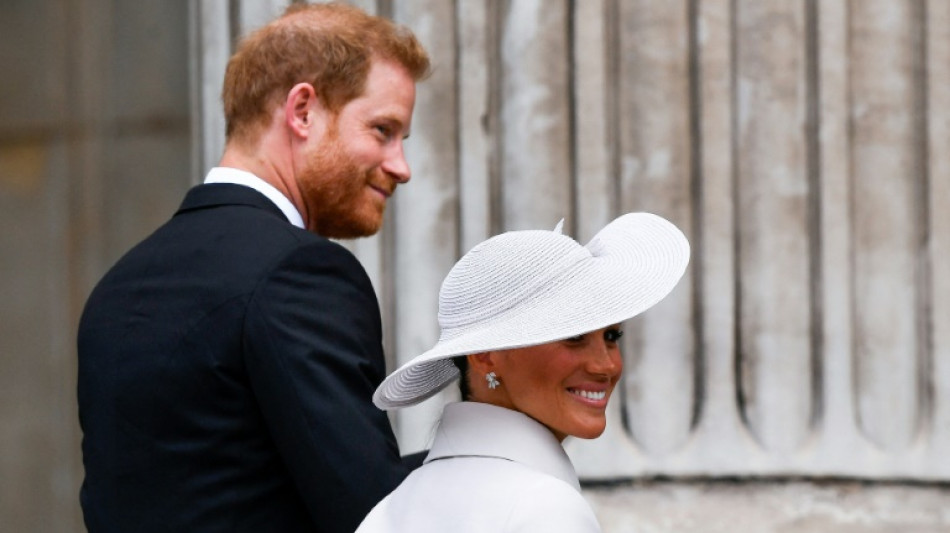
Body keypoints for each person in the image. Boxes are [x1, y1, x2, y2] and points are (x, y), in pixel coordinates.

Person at [76, 3, 430, 532]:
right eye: (383, 130)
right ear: (302, 111)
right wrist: (499, 448)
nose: (401, 167)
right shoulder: (301, 271)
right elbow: (373, 516)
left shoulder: (117, 286)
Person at [356, 213, 690, 532]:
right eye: (574, 336)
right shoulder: (544, 505)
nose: (606, 366)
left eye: (612, 336)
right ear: (484, 355)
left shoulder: (395, 505)